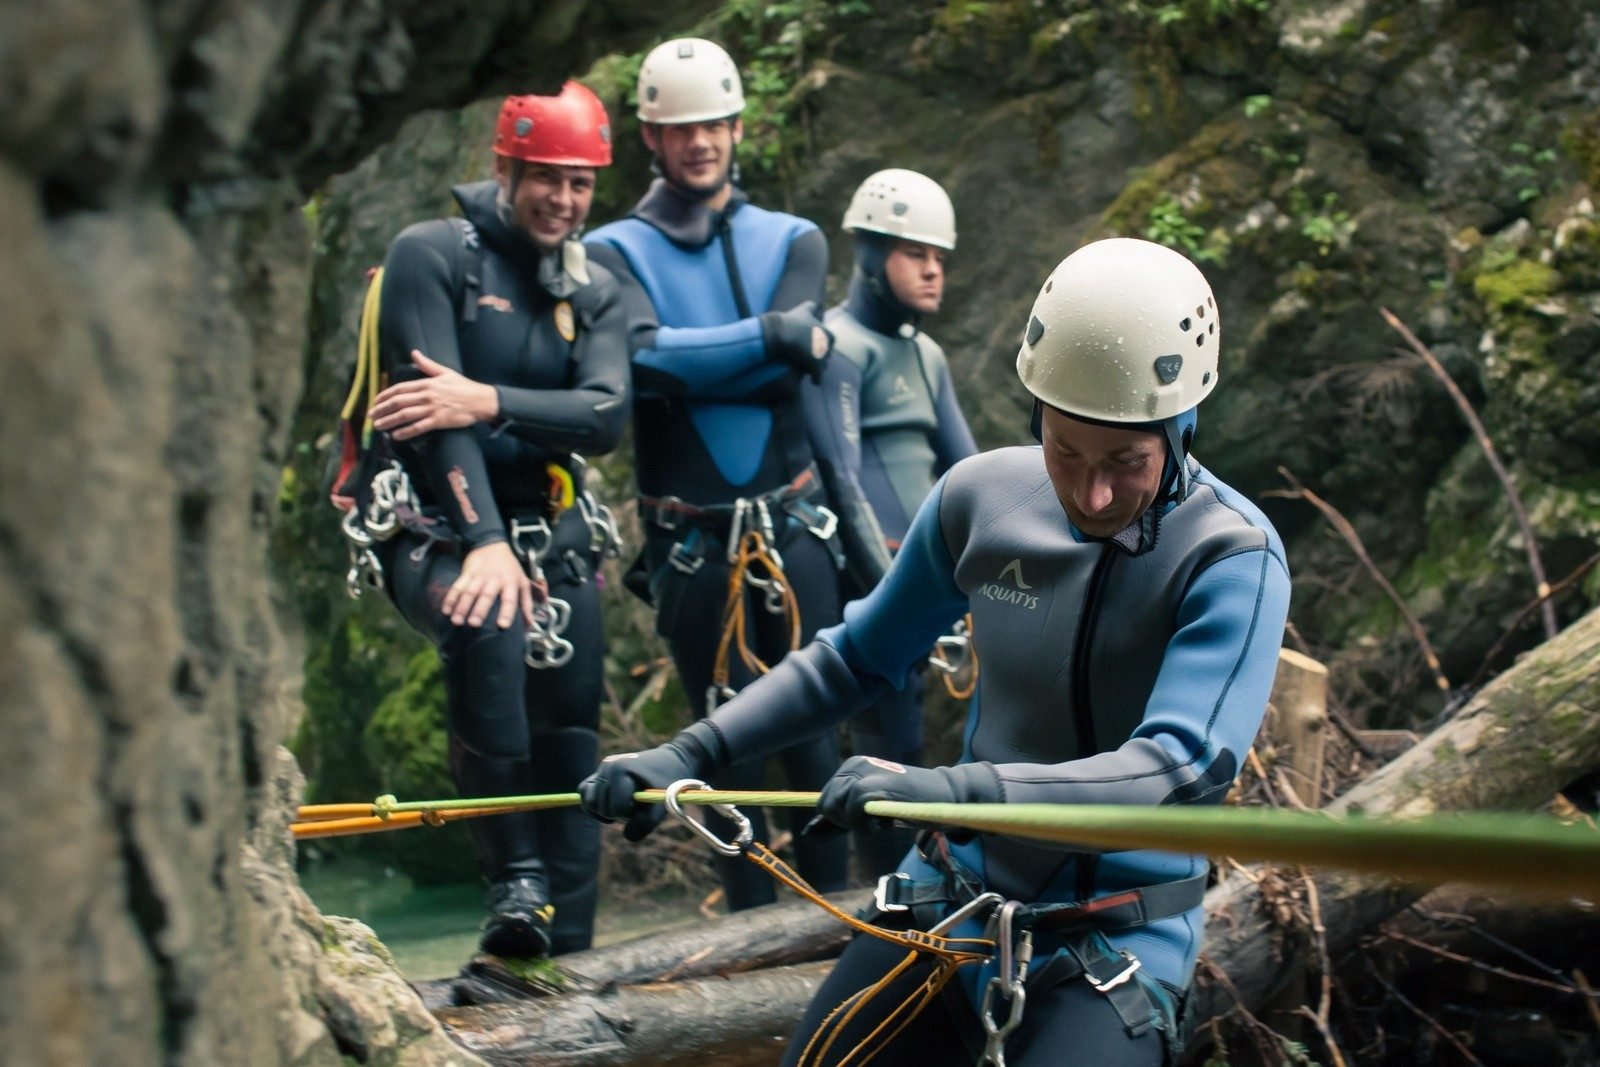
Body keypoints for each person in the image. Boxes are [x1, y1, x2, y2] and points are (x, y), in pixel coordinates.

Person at [580, 238, 1292, 1064]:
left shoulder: (1232, 555)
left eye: (1127, 462)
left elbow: (1179, 765)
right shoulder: (982, 500)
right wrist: (688, 753)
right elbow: (856, 657)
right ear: (1037, 419)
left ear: (1180, 428)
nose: (1093, 493)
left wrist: (949, 790)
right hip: (948, 906)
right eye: (1066, 451)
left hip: (1112, 944)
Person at [357, 82, 628, 959]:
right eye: (545, 176)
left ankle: (576, 943)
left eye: (580, 183)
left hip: (549, 523)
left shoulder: (595, 285)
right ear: (504, 168)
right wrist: (482, 542)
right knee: (491, 621)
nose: (563, 199)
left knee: (574, 715)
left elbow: (606, 415)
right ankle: (516, 888)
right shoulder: (432, 255)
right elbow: (429, 420)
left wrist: (487, 397)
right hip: (432, 517)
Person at [584, 37, 850, 911]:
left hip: (792, 525)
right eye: (679, 128)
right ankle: (749, 932)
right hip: (692, 541)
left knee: (816, 732)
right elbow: (641, 365)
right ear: (651, 140)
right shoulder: (614, 249)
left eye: (713, 125)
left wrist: (723, 354)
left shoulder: (795, 238)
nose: (699, 141)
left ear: (737, 128)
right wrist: (770, 335)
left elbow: (770, 367)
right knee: (720, 747)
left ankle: (836, 924)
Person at [825, 168, 978, 876]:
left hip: (923, 583)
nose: (931, 269)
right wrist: (896, 598)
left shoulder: (927, 354)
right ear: (868, 254)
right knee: (882, 735)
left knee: (910, 743)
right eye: (915, 253)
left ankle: (908, 887)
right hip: (871, 581)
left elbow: (970, 473)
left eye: (939, 258)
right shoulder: (838, 346)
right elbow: (843, 479)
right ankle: (874, 897)